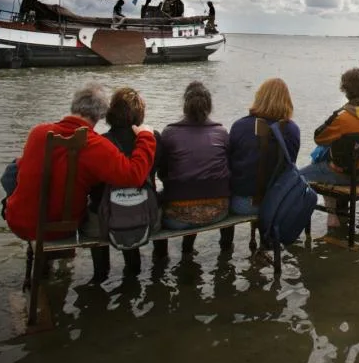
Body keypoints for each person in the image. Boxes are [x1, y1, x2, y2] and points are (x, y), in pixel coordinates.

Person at [5, 83, 156, 242]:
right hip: (59, 230)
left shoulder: (38, 132)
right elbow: (133, 176)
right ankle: (65, 259)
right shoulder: (96, 144)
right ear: (102, 114)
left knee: (14, 167)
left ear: (74, 105)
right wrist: (146, 136)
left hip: (18, 222)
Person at [87, 87, 161, 280]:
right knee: (131, 212)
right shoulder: (154, 138)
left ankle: (100, 275)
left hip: (104, 218)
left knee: (96, 208)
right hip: (142, 215)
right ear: (140, 114)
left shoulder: (100, 143)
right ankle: (135, 275)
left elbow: (92, 186)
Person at [158, 82, 230, 233]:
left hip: (177, 216)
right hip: (218, 212)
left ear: (185, 105)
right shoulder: (221, 132)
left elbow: (162, 172)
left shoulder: (169, 133)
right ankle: (225, 249)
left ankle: (163, 255)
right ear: (209, 106)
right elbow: (228, 168)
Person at [227, 78, 301, 217]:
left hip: (244, 204)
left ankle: (227, 239)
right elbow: (290, 164)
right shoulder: (293, 129)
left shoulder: (239, 126)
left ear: (259, 97)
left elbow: (230, 162)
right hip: (280, 203)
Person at [299, 68, 359, 185]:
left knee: (296, 178)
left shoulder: (343, 117)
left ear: (345, 89)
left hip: (346, 175)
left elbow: (319, 138)